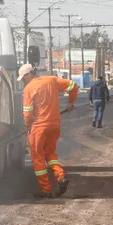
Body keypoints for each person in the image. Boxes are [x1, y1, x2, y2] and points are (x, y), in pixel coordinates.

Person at [18, 63, 78, 198]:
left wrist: (27, 126)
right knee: (50, 153)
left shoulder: (29, 88)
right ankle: (61, 177)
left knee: (37, 157)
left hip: (39, 127)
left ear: (29, 74)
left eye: (23, 77)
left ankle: (45, 190)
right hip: (54, 125)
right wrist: (70, 103)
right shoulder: (52, 80)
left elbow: (27, 112)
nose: (22, 80)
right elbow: (73, 86)